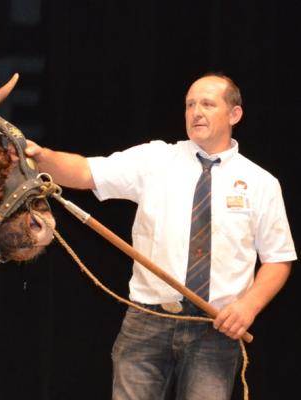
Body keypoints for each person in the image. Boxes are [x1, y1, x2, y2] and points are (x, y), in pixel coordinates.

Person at [24, 74, 297, 399]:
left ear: (234, 114)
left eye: (208, 104)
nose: (196, 112)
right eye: (190, 104)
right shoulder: (155, 159)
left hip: (215, 328)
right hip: (146, 319)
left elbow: (278, 259)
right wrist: (39, 156)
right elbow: (84, 172)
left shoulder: (260, 183)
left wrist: (248, 307)